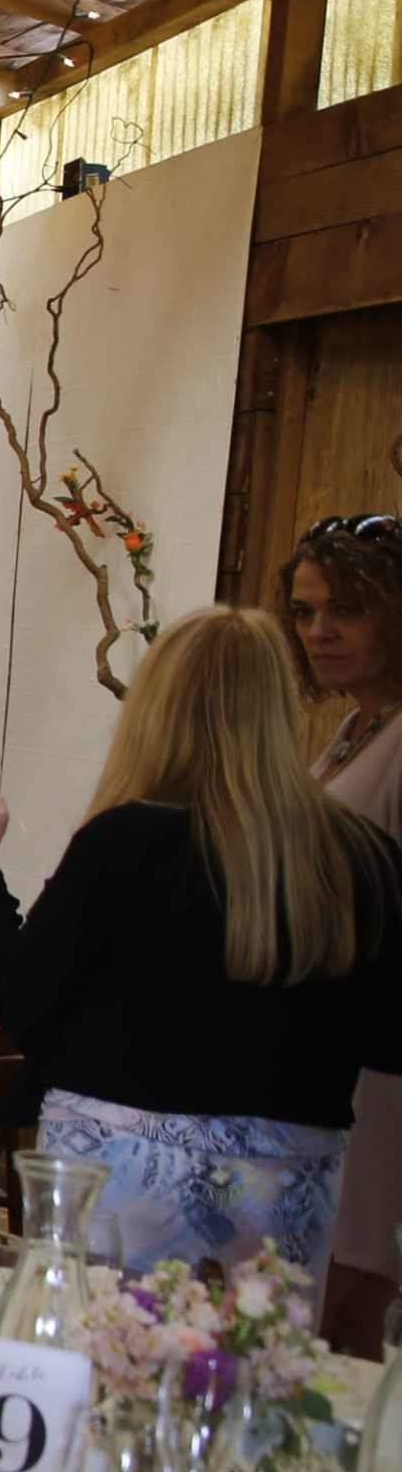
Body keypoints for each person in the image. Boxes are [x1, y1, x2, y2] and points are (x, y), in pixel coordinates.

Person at [0, 605, 402, 1291]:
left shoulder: (126, 841)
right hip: (279, 1203)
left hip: (126, 1189)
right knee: (241, 1379)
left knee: (111, 1369)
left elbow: (25, 1001)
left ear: (155, 710)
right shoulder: (358, 857)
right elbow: (387, 1040)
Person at [287, 511, 402, 1277]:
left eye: (347, 609)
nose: (319, 630)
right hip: (327, 1039)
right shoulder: (356, 726)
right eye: (304, 610)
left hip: (383, 1052)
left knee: (362, 1270)